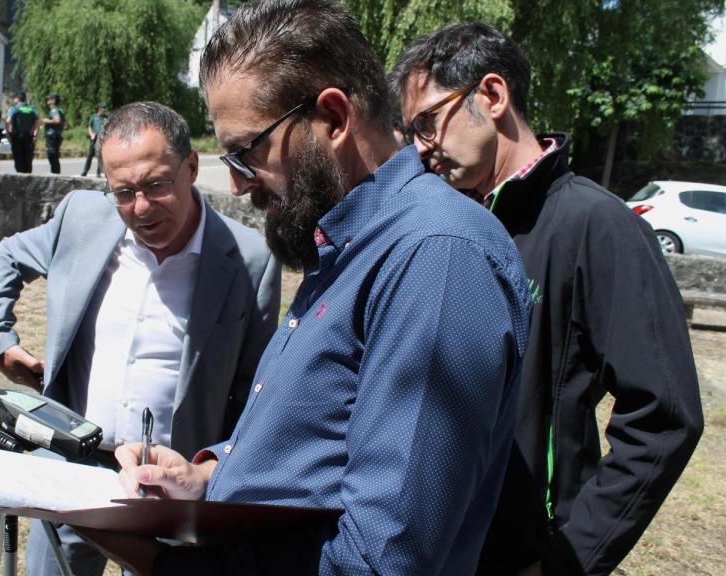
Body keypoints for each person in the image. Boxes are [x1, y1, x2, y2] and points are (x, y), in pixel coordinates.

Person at [105, 1, 535, 574]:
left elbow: (382, 559)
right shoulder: (346, 242)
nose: (235, 184)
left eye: (246, 151)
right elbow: (316, 448)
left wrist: (165, 567)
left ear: (333, 119)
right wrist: (207, 476)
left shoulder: (435, 258)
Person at [389, 22, 703, 575]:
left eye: (428, 123)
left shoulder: (597, 225)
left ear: (491, 96)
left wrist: (562, 562)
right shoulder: (448, 221)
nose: (420, 148)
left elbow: (665, 415)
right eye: (410, 130)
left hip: (524, 552)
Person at [0, 101, 281, 576]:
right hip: (75, 470)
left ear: (192, 167)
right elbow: (7, 256)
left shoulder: (251, 260)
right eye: (123, 192)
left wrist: (213, 477)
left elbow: (254, 392)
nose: (140, 208)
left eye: (156, 185)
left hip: (175, 487)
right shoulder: (82, 218)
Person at [7, 92, 41, 174]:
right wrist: (34, 132)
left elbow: (8, 121)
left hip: (17, 136)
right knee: (28, 158)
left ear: (17, 99)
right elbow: (38, 121)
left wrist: (9, 133)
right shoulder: (32, 109)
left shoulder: (14, 109)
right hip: (29, 136)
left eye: (14, 98)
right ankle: (28, 177)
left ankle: (20, 176)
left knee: (18, 158)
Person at [41, 92, 66, 174]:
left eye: (49, 99)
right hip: (57, 136)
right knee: (55, 157)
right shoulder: (60, 110)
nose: (47, 100)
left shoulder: (54, 110)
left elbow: (57, 120)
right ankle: (56, 174)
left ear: (53, 100)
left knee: (52, 155)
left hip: (52, 136)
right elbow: (66, 124)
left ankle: (55, 175)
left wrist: (45, 120)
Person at [81, 103, 108, 177]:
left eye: (105, 108)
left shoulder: (105, 118)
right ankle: (85, 171)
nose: (104, 110)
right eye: (103, 108)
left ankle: (98, 173)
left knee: (100, 156)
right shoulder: (93, 117)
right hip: (94, 139)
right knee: (89, 156)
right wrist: (91, 134)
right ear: (99, 109)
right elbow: (89, 126)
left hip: (101, 139)